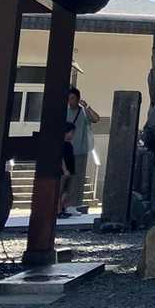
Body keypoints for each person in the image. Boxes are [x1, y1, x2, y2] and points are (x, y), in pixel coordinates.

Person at [60, 86, 99, 217]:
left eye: (72, 98)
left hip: (80, 150)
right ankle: (61, 205)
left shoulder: (83, 113)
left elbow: (96, 119)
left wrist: (87, 107)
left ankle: (73, 205)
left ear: (78, 99)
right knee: (65, 179)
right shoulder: (64, 112)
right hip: (66, 150)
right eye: (68, 98)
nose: (70, 101)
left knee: (77, 179)